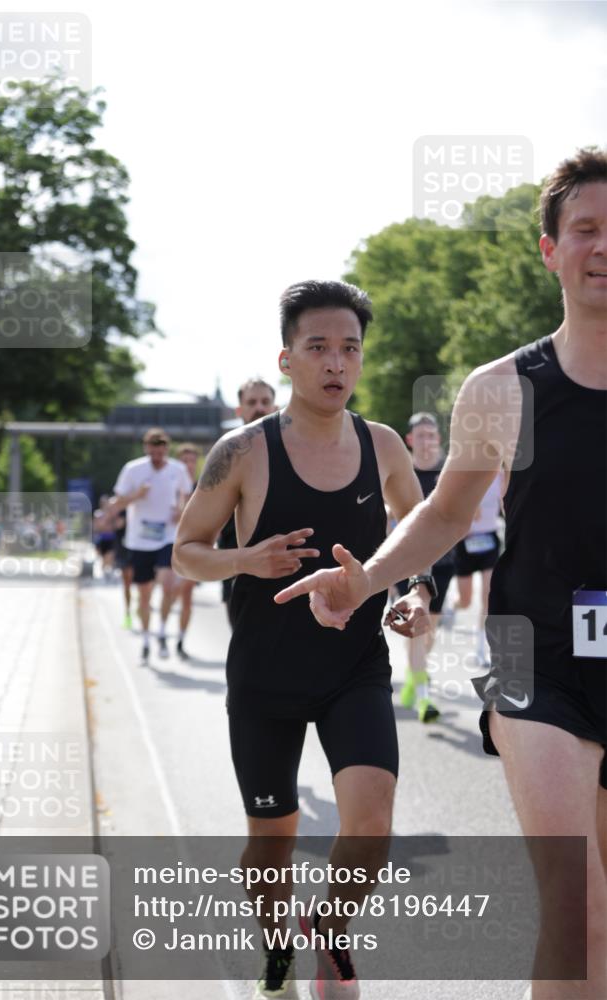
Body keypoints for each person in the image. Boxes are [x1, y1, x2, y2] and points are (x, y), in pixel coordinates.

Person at [275, 149, 607, 1000]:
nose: (602, 246)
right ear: (549, 250)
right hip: (536, 659)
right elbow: (447, 513)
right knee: (576, 910)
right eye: (585, 230)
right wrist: (369, 578)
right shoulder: (504, 389)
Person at [174, 280, 433, 1000]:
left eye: (348, 348)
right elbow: (185, 553)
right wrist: (245, 560)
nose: (335, 363)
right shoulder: (242, 452)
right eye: (317, 347)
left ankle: (329, 926)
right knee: (271, 841)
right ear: (286, 359)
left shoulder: (381, 445)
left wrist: (414, 593)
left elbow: (419, 536)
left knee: (371, 825)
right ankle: (276, 943)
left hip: (353, 666)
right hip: (264, 676)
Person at [391, 412, 456, 722]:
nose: (428, 441)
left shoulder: (448, 471)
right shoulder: (402, 471)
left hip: (444, 560)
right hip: (409, 561)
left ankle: (414, 677)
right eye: (422, 436)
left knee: (429, 632)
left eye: (432, 435)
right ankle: (422, 697)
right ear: (410, 440)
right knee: (417, 628)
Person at [112, 428, 193, 663]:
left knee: (168, 586)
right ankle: (146, 639)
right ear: (146, 448)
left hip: (167, 535)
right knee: (144, 595)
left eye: (161, 452)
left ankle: (162, 633)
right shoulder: (133, 469)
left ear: (166, 449)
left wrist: (181, 510)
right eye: (153, 452)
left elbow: (187, 495)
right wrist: (136, 495)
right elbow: (117, 503)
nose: (157, 457)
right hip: (139, 539)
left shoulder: (177, 470)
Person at [217, 378, 278, 626]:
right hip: (237, 565)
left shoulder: (298, 451)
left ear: (275, 407)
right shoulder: (224, 455)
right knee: (244, 648)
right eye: (252, 402)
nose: (259, 408)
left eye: (265, 401)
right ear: (239, 410)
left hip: (284, 566)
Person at [452, 470, 504, 663]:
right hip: (465, 541)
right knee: (465, 600)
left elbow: (506, 503)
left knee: (488, 596)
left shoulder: (500, 475)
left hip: (489, 539)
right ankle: (453, 607)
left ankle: (482, 648)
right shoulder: (463, 473)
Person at [173, 443, 202, 659]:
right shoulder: (169, 486)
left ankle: (180, 640)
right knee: (168, 593)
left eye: (192, 461)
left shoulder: (204, 488)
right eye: (185, 460)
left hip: (192, 550)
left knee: (186, 595)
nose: (189, 465)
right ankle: (162, 631)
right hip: (165, 548)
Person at [112, 508, 134, 629]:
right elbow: (116, 525)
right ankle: (128, 613)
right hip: (124, 551)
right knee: (127, 584)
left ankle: (143, 605)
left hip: (141, 550)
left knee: (145, 584)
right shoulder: (121, 508)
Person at [93, 494, 117, 580]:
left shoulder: (113, 514)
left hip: (111, 538)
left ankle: (109, 572)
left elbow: (115, 526)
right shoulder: (98, 514)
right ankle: (104, 573)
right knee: (103, 558)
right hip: (102, 538)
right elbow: (98, 527)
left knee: (110, 556)